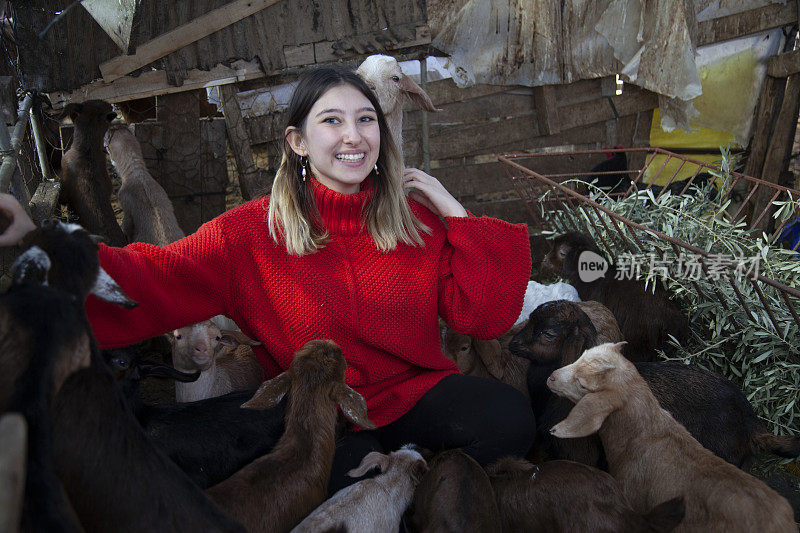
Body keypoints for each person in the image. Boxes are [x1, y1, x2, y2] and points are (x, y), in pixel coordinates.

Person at [0, 65, 534, 493]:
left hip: (413, 393)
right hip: (320, 410)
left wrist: (452, 209)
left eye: (366, 119)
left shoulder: (415, 222)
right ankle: (410, 476)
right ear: (298, 141)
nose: (354, 136)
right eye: (332, 121)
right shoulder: (252, 232)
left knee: (509, 418)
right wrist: (38, 244)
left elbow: (485, 314)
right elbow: (160, 274)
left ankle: (415, 473)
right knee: (310, 484)